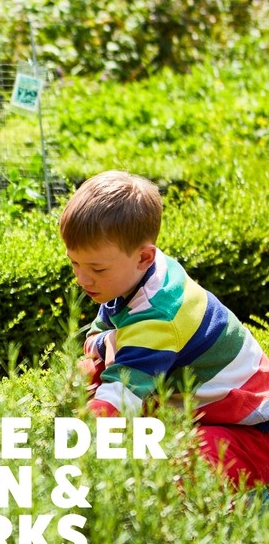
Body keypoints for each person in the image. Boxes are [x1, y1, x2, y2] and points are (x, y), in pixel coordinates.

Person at [60, 170, 269, 487]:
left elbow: (117, 400)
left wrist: (64, 452)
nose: (82, 279)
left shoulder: (160, 317)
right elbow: (97, 340)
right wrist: (108, 345)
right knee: (89, 371)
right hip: (201, 409)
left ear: (144, 256)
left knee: (177, 464)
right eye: (74, 263)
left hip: (252, 433)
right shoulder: (137, 276)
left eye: (97, 268)